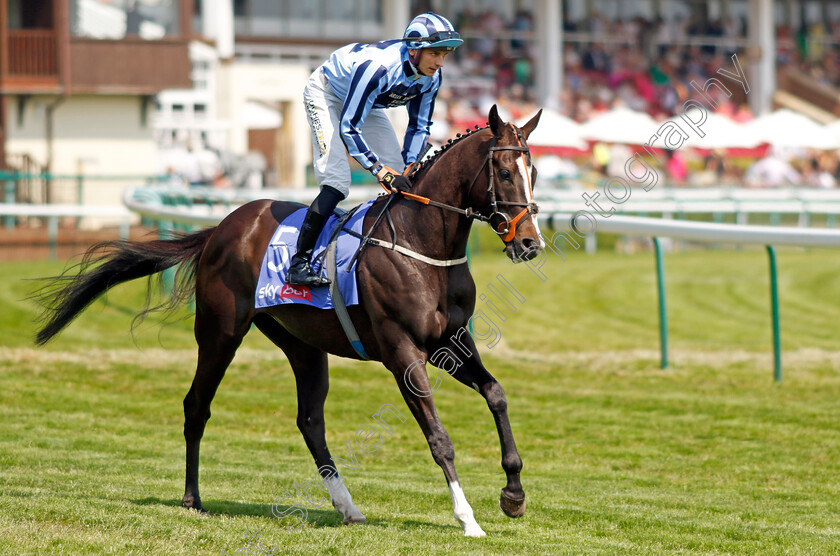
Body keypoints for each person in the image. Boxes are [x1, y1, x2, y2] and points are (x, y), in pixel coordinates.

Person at [285, 12, 463, 287]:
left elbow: (419, 126)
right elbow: (348, 128)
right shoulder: (378, 69)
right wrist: (380, 171)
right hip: (327, 94)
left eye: (446, 54)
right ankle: (299, 263)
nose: (440, 63)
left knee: (404, 177)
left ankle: (393, 252)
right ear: (415, 50)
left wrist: (409, 165)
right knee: (337, 182)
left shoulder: (432, 78)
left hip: (368, 104)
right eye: (436, 53)